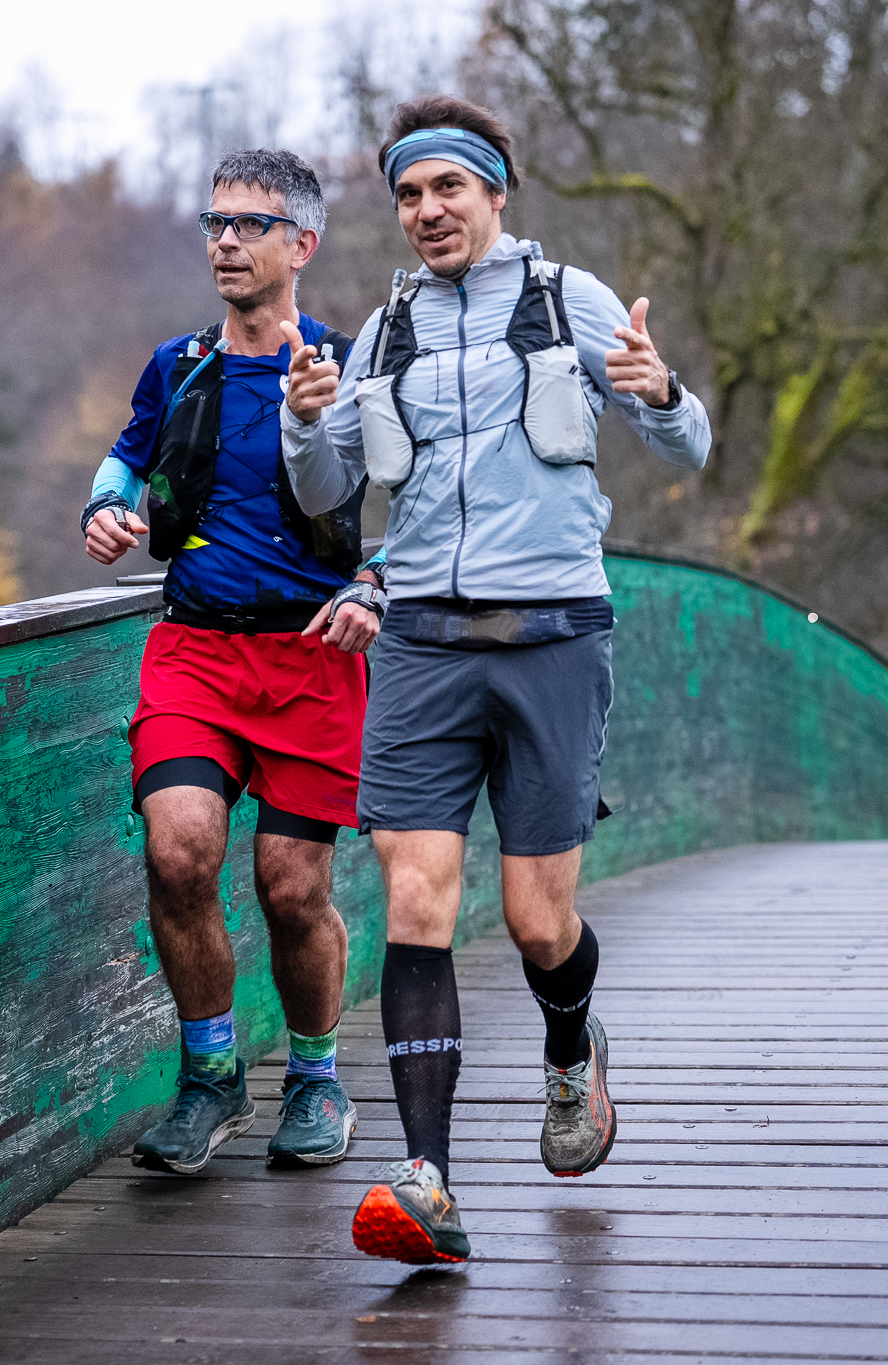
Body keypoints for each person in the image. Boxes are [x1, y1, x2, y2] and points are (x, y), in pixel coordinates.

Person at [279, 95, 714, 1263]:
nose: (426, 211)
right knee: (415, 901)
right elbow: (325, 493)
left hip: (553, 636)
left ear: (493, 194)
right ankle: (426, 1180)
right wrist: (304, 422)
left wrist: (659, 391)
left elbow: (688, 447)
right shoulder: (382, 333)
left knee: (534, 919)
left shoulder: (565, 301)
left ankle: (571, 1051)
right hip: (422, 641)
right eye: (408, 195)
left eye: (447, 189)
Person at [81, 149, 389, 1176]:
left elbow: (430, 496)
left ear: (301, 245)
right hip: (195, 650)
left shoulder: (348, 366)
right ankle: (210, 1078)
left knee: (291, 888)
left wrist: (375, 580)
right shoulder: (178, 364)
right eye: (214, 222)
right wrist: (104, 505)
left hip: (311, 655)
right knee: (177, 853)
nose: (224, 241)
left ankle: (314, 1079)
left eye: (249, 225)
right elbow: (128, 453)